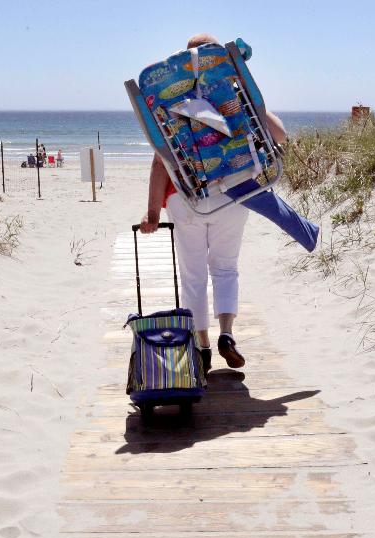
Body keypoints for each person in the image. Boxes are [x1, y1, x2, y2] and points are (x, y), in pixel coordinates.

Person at [139, 32, 287, 374]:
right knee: (225, 267)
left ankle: (202, 345)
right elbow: (278, 135)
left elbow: (161, 160)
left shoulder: (168, 102)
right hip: (233, 192)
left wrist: (151, 213)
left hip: (188, 199)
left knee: (193, 274)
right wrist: (247, 96)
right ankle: (227, 335)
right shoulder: (232, 96)